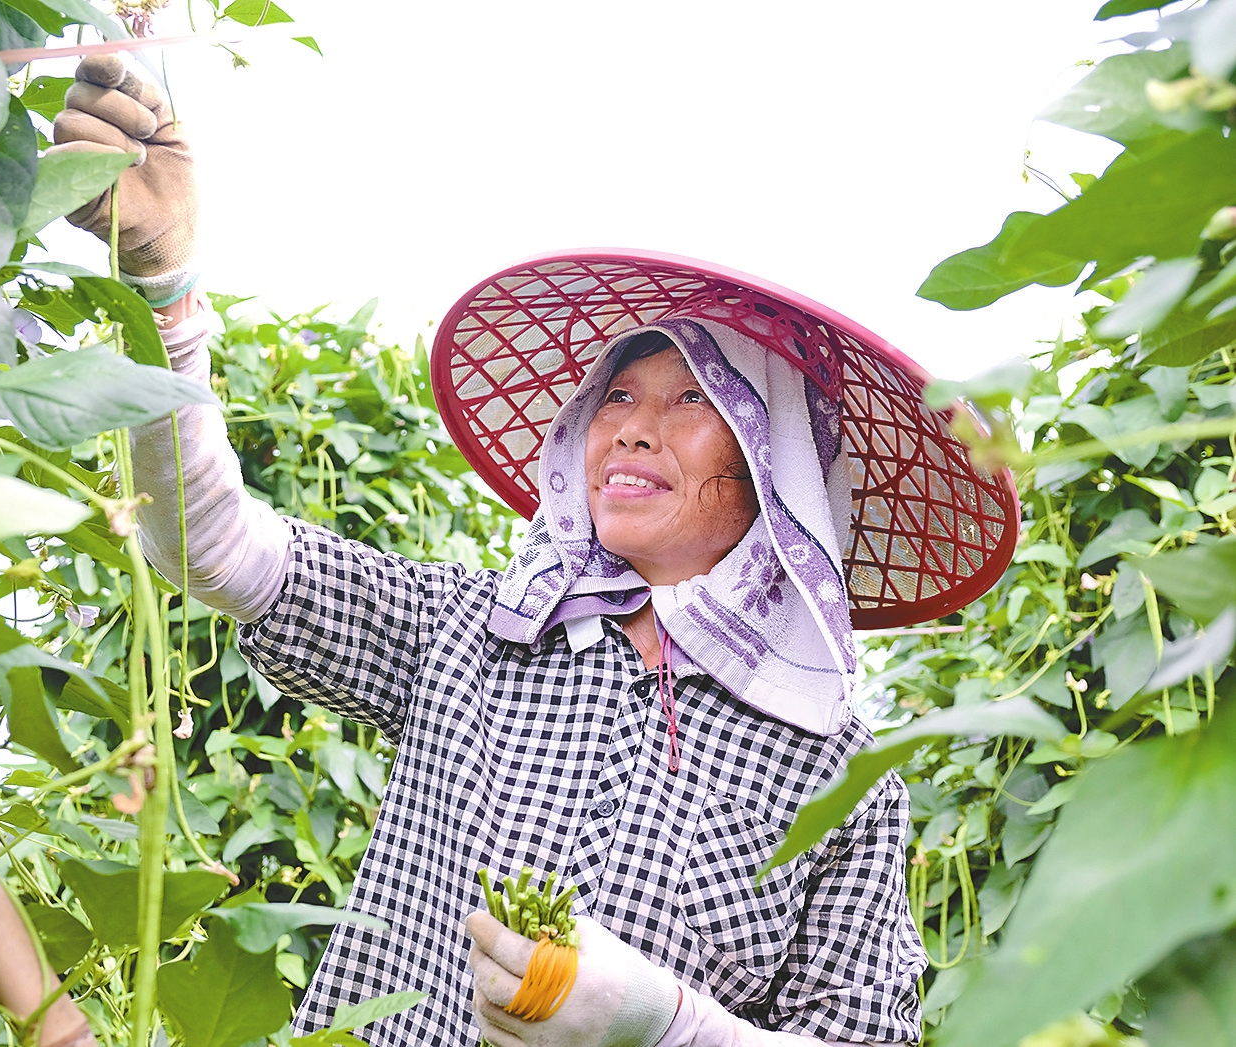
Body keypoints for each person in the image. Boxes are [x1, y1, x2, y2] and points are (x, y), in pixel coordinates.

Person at [54, 55, 1017, 1047]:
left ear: (774, 465)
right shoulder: (468, 631)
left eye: (692, 399)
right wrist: (164, 292)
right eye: (618, 395)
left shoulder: (836, 775)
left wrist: (664, 1025)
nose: (631, 428)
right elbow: (211, 545)